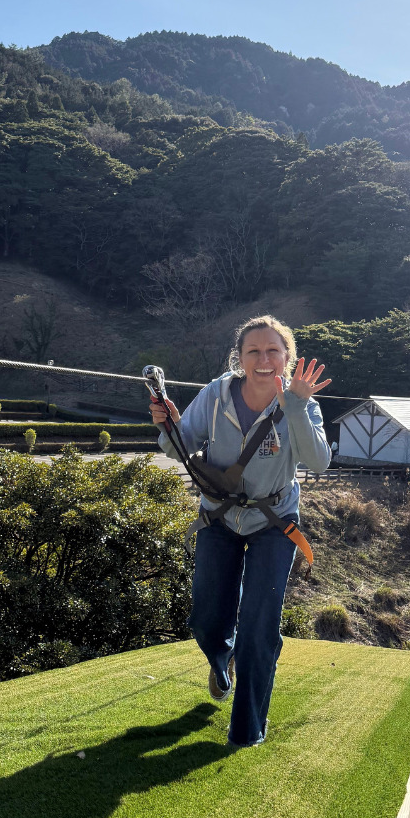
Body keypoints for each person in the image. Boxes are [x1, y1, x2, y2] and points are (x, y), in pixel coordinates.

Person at [149, 315, 332, 747]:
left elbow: (318, 461)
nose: (263, 359)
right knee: (206, 619)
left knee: (259, 627)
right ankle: (221, 659)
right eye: (254, 351)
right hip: (219, 517)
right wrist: (168, 424)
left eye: (273, 351)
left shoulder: (303, 403)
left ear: (287, 359)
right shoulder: (216, 395)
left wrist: (296, 407)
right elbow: (177, 448)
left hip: (274, 522)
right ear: (240, 358)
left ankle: (247, 730)